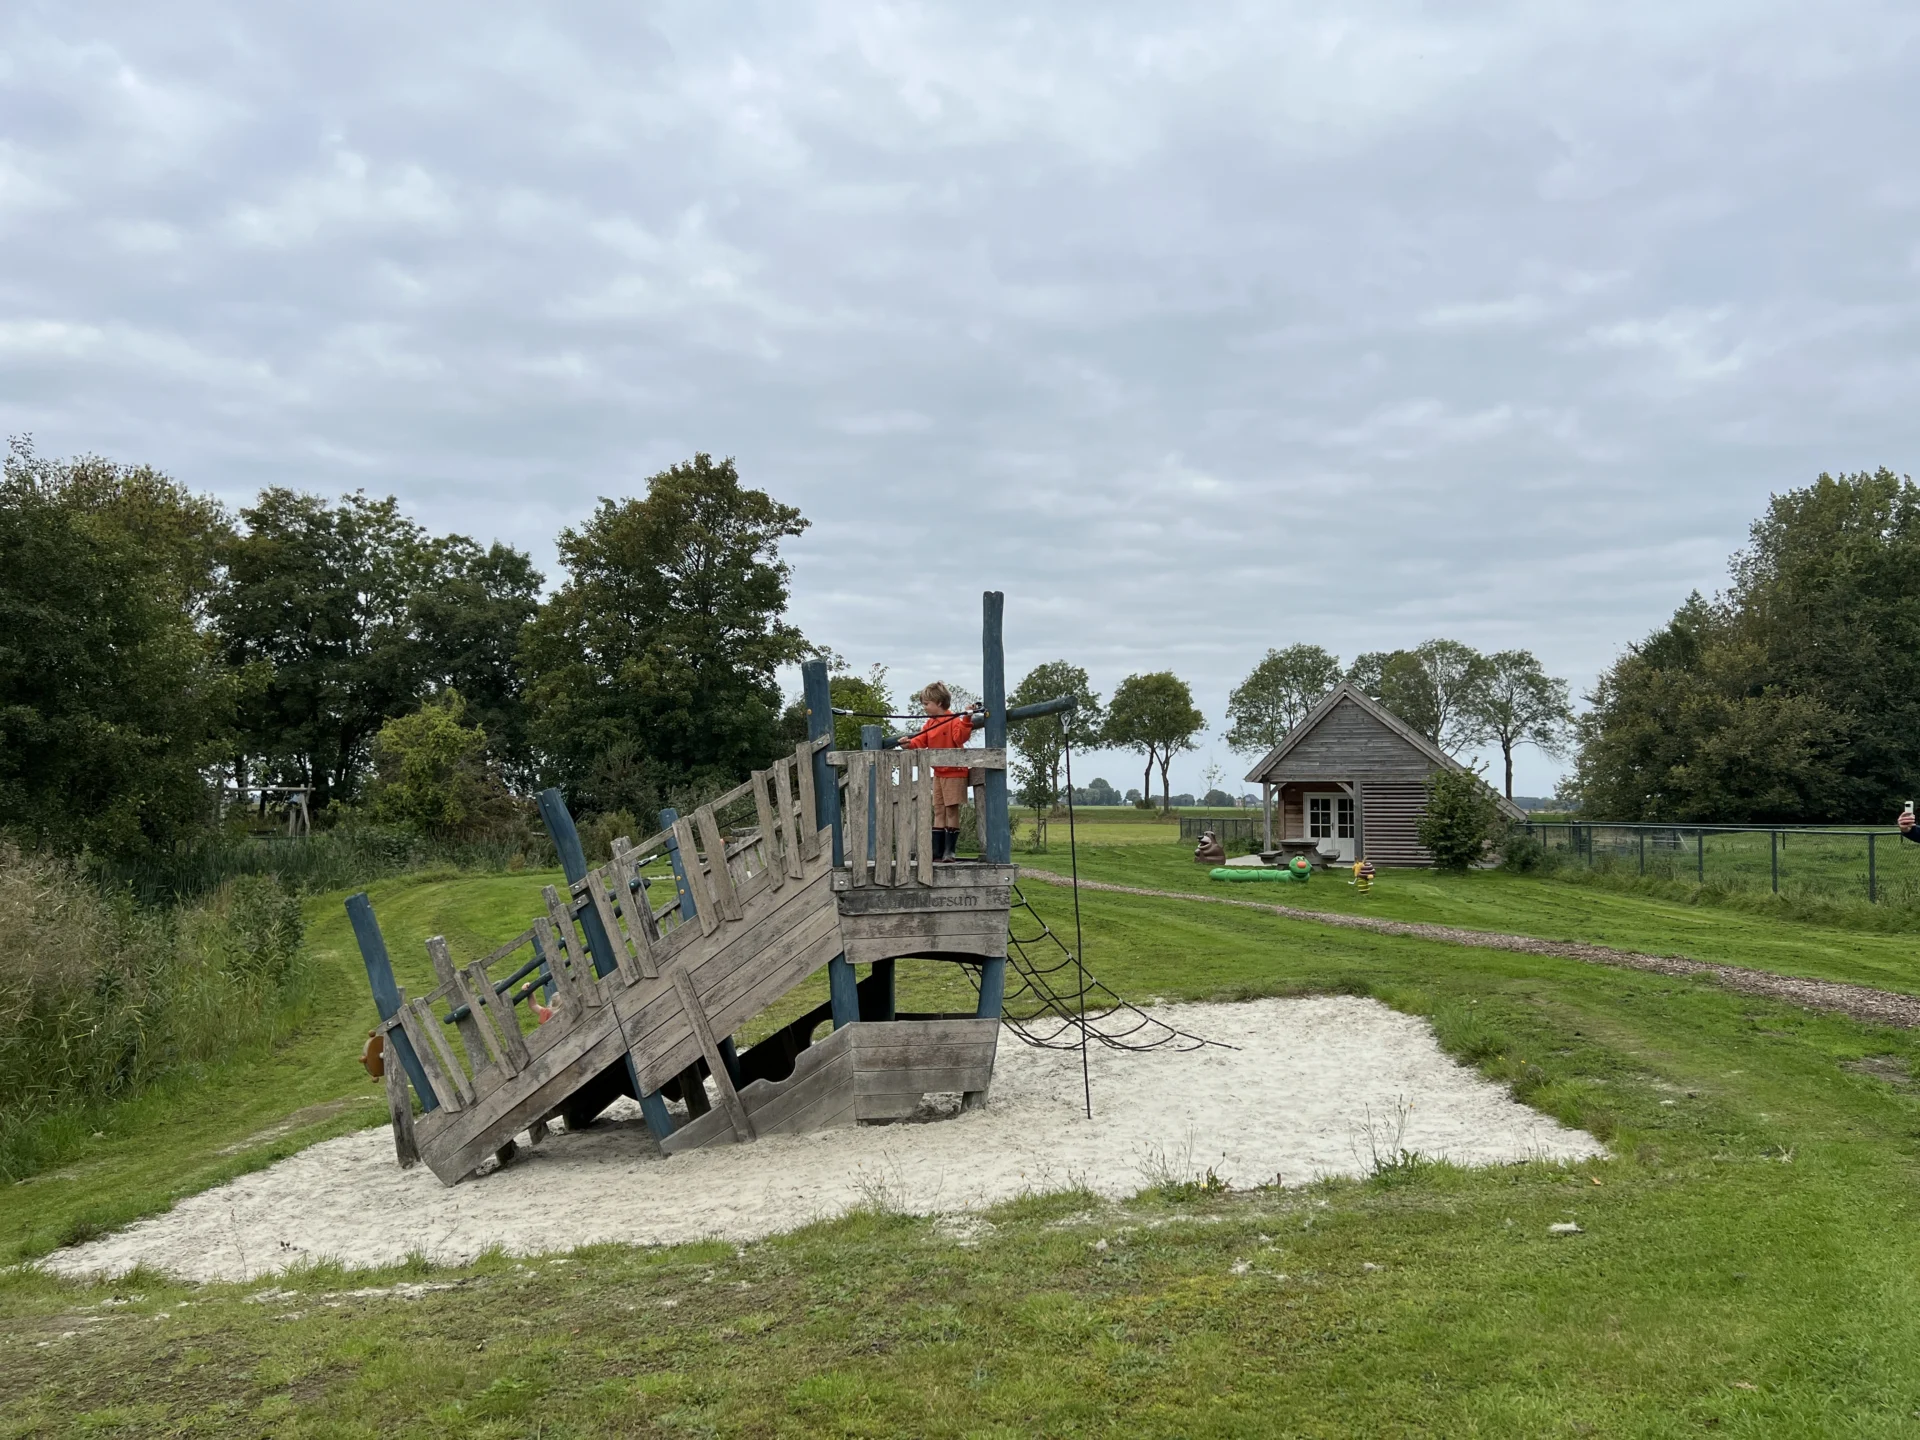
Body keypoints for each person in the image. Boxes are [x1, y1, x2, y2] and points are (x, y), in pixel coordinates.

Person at [902, 681, 980, 862]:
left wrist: (967, 719)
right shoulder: (930, 723)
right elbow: (920, 741)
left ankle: (949, 851)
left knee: (951, 810)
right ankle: (936, 850)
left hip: (954, 772)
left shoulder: (953, 720)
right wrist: (909, 744)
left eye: (926, 704)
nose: (924, 707)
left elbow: (961, 736)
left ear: (938, 703)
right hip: (939, 773)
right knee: (938, 810)